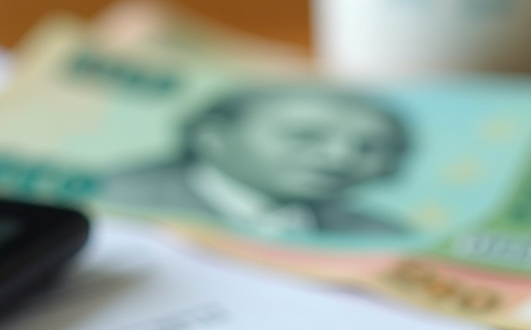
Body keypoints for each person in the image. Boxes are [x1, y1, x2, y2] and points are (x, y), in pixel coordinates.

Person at [101, 86, 410, 235]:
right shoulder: (119, 198)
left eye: (369, 147)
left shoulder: (376, 232)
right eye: (305, 136)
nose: (341, 157)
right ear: (213, 136)